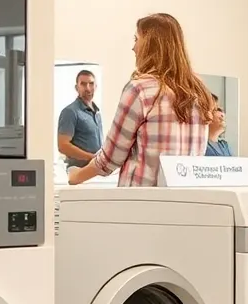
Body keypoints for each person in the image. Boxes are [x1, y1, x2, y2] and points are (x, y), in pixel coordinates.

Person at [67, 13, 212, 187]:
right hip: (185, 203)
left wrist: (76, 176)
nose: (133, 48)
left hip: (142, 204)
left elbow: (111, 158)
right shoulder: (199, 92)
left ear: (151, 44)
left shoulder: (140, 89)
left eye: (137, 39)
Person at [57, 69, 103, 169]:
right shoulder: (70, 112)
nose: (88, 88)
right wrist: (91, 158)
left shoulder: (97, 113)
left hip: (94, 170)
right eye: (83, 84)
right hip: (78, 172)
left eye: (91, 84)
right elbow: (63, 146)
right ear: (76, 87)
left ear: (96, 86)